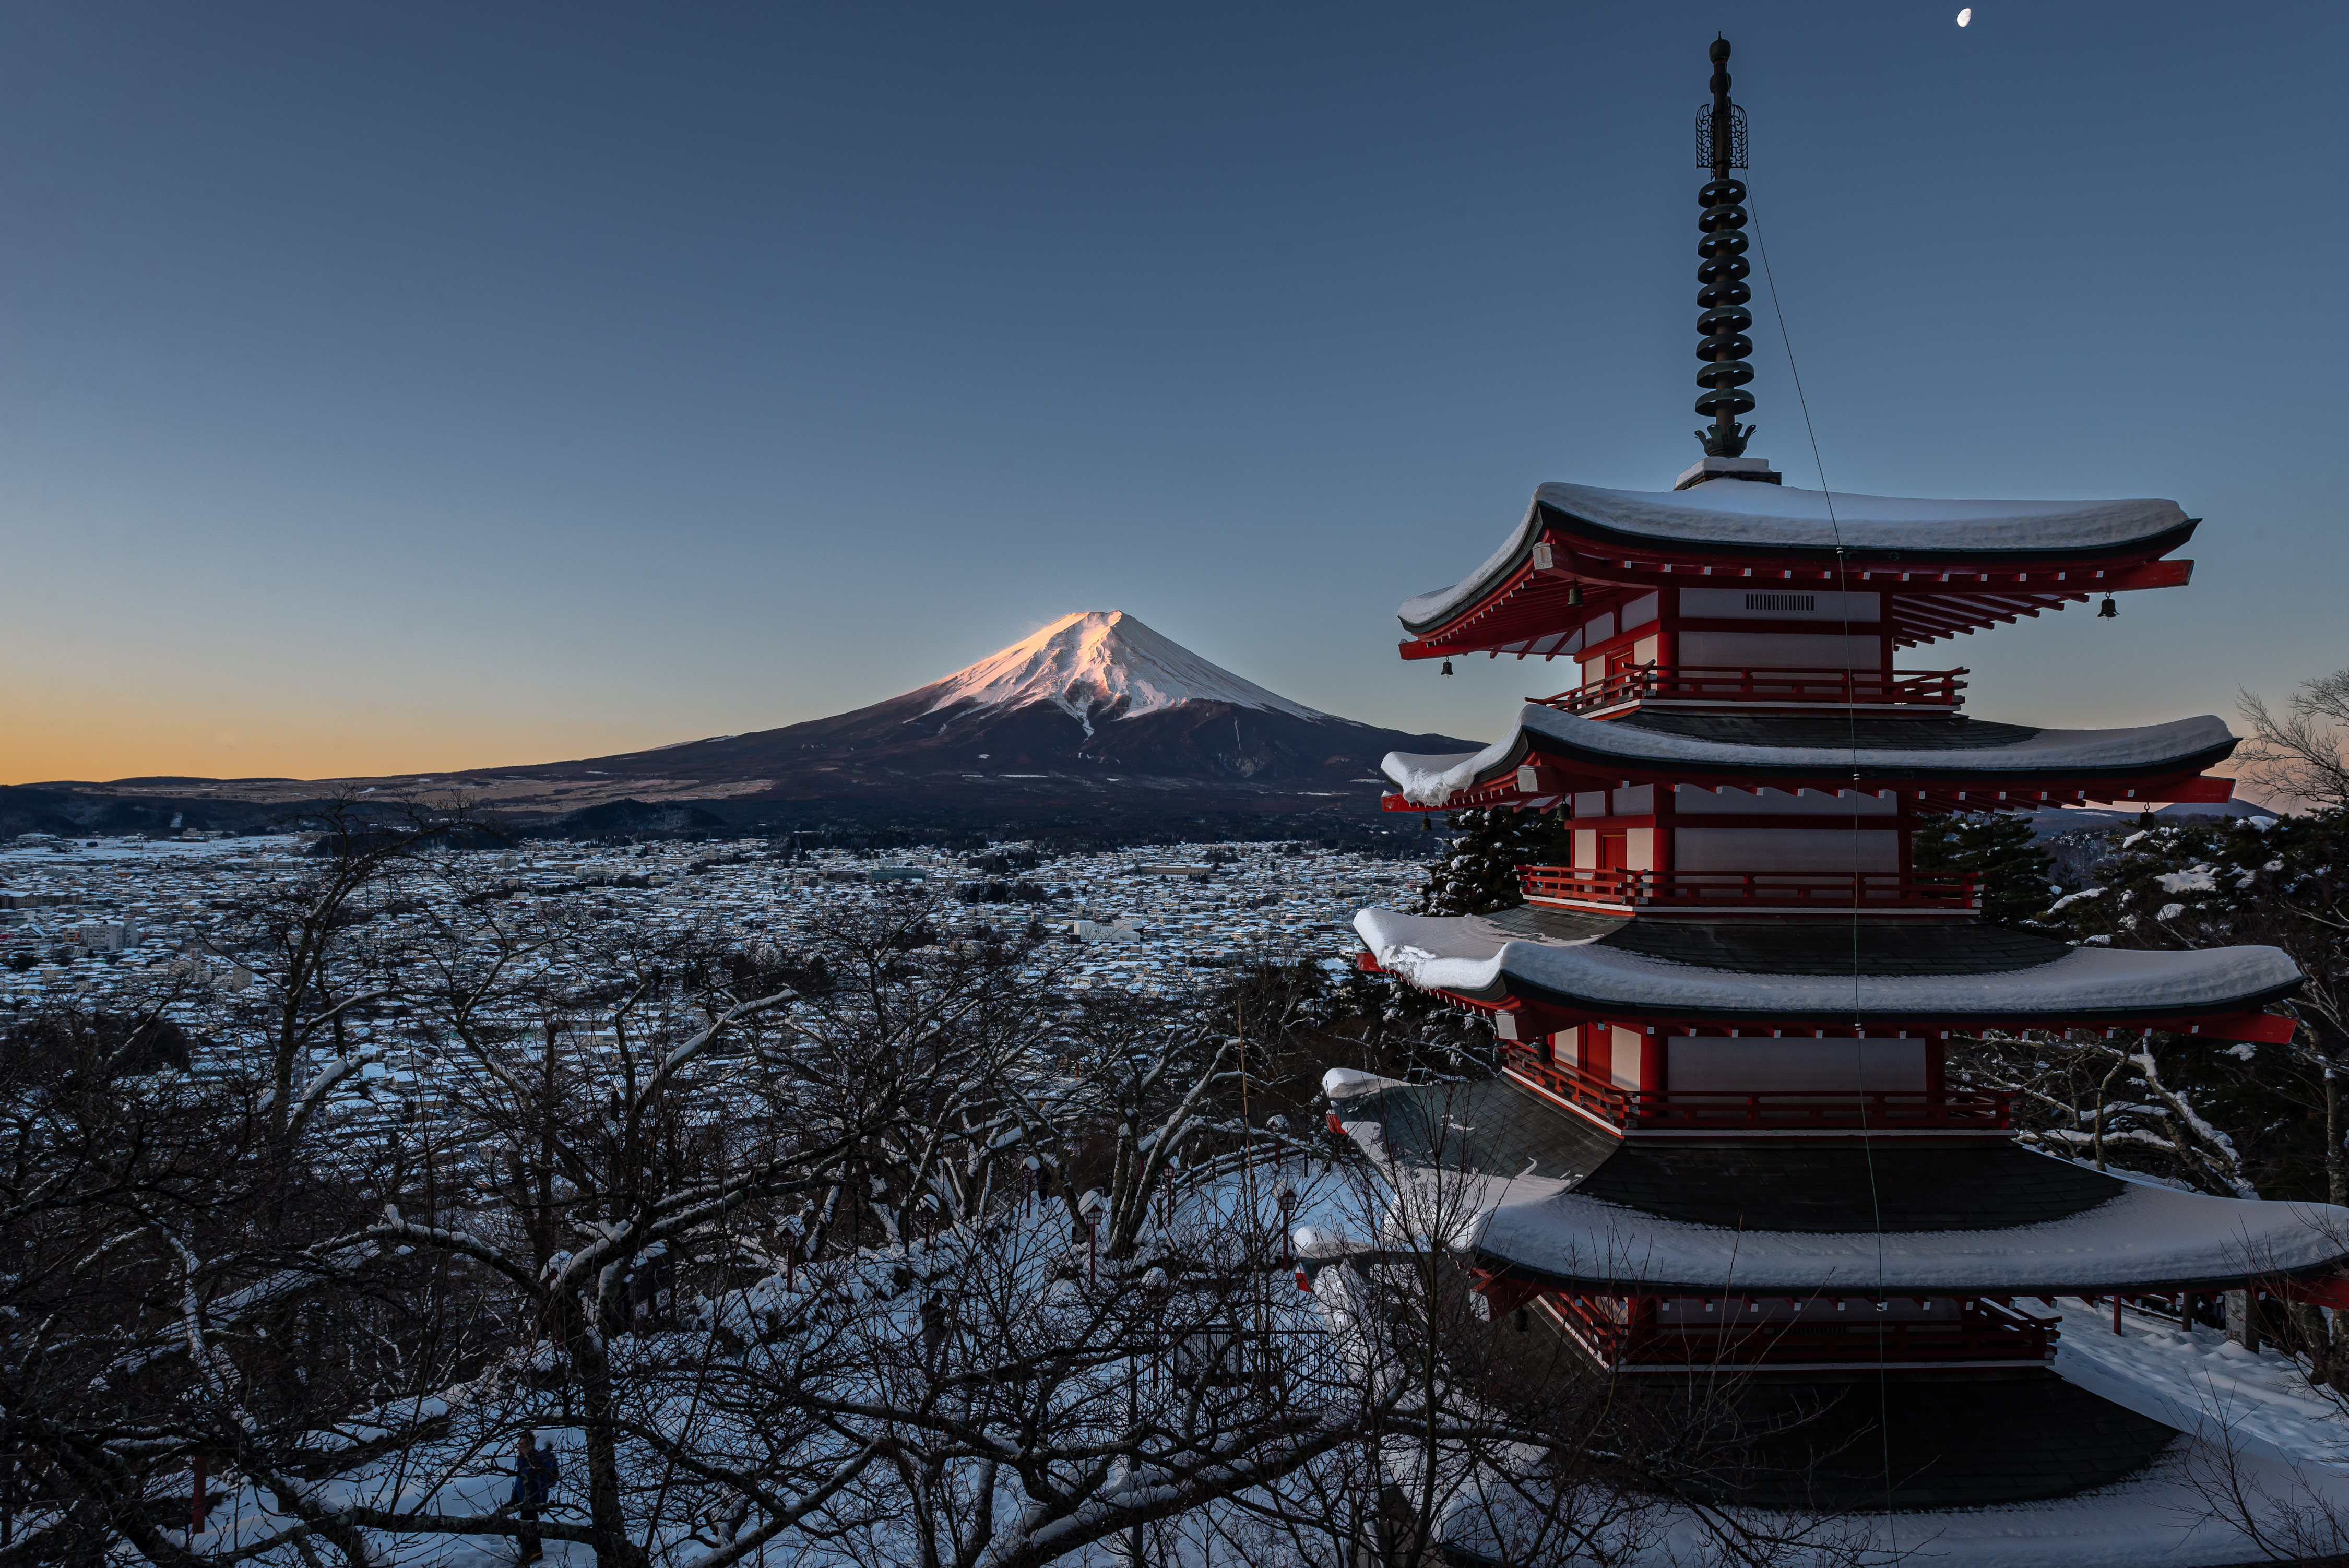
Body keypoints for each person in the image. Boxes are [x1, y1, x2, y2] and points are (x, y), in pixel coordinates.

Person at [511, 1431, 558, 1564]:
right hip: (524, 1500)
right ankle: (533, 1554)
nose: (520, 1448)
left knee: (525, 1530)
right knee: (527, 1529)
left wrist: (542, 1502)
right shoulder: (522, 1460)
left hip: (533, 1501)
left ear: (531, 1446)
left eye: (523, 1445)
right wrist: (514, 1498)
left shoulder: (535, 1460)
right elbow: (519, 1480)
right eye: (519, 1445)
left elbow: (542, 1482)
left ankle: (532, 1556)